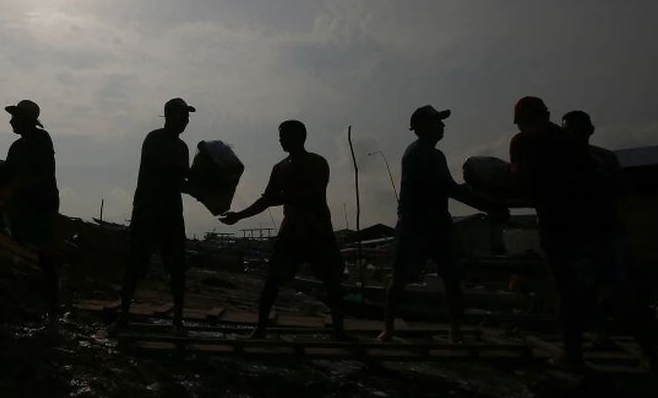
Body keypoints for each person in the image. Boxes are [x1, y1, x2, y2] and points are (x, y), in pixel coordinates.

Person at [377, 106, 502, 343]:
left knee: (449, 277)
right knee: (404, 278)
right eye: (437, 122)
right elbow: (449, 188)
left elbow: (449, 187)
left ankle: (451, 331)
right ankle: (390, 328)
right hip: (416, 224)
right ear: (421, 127)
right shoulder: (420, 153)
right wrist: (487, 204)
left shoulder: (434, 154)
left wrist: (484, 201)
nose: (443, 126)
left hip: (435, 222)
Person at [220, 120, 346, 339]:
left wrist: (281, 198)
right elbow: (266, 199)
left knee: (332, 282)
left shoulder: (317, 163)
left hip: (318, 231)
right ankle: (260, 328)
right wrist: (238, 216)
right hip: (291, 232)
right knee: (272, 281)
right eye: (280, 136)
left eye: (284, 135)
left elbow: (313, 193)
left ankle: (339, 330)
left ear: (299, 137)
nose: (280, 140)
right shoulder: (279, 168)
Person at [510, 96, 608, 370]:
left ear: (522, 121)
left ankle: (572, 354)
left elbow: (520, 183)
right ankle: (645, 354)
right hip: (590, 222)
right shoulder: (570, 141)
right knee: (592, 285)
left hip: (556, 223)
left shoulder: (523, 143)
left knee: (565, 289)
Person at [561, 110, 658, 367]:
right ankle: (600, 338)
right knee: (587, 291)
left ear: (589, 131)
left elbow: (621, 191)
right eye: (572, 130)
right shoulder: (566, 161)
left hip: (602, 232)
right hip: (582, 233)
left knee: (618, 290)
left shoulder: (600, 159)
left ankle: (644, 349)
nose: (576, 135)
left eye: (579, 130)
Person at [110, 98, 195, 337]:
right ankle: (123, 317)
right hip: (147, 210)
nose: (186, 121)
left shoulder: (183, 148)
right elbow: (159, 169)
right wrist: (188, 176)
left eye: (187, 117)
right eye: (182, 116)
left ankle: (178, 321)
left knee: (177, 266)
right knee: (135, 264)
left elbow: (180, 183)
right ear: (168, 116)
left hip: (172, 212)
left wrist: (201, 188)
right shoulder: (154, 139)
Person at [0, 99, 61, 318]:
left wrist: (4, 179)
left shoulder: (40, 140)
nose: (11, 121)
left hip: (41, 204)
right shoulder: (18, 146)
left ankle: (52, 313)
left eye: (15, 117)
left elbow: (32, 173)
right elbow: (7, 173)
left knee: (46, 257)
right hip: (22, 202)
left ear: (26, 120)